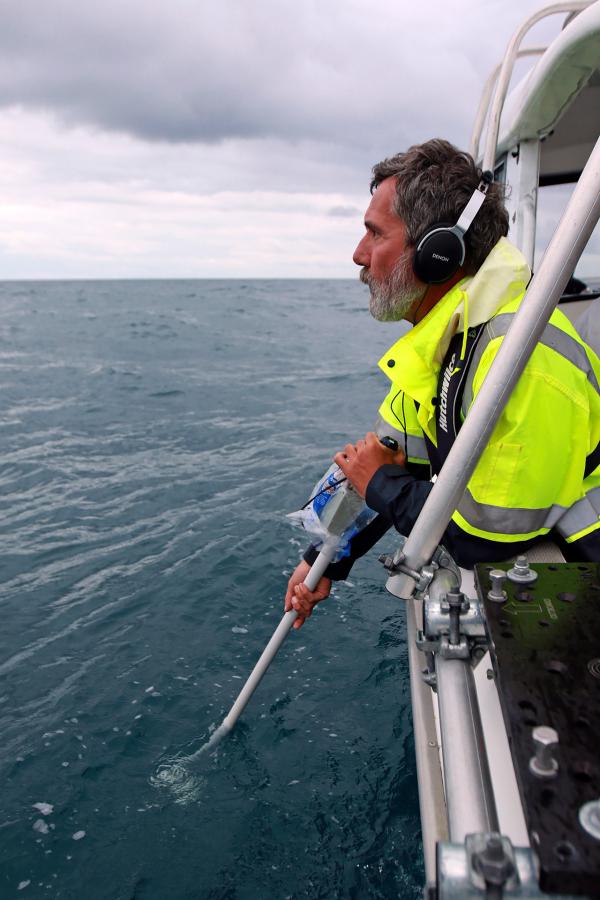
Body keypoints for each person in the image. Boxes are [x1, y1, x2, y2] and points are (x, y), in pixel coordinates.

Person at [285, 139, 600, 628]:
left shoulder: (518, 357)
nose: (358, 255)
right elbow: (387, 456)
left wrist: (382, 485)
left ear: (438, 253)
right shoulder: (442, 343)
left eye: (374, 233)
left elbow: (490, 536)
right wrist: (325, 557)